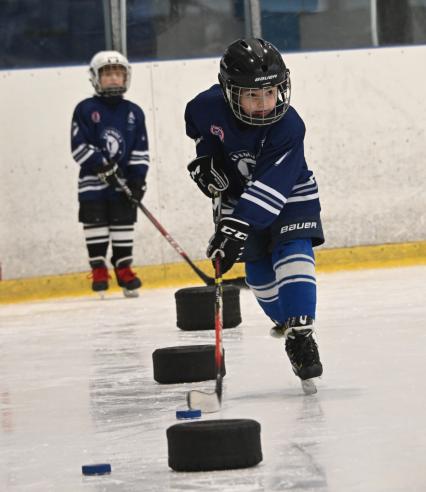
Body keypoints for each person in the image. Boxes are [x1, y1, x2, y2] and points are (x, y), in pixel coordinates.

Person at [185, 38, 324, 386]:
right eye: (252, 96)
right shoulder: (205, 107)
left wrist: (235, 228)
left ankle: (302, 331)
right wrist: (206, 160)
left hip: (289, 193)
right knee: (259, 277)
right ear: (229, 92)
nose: (264, 105)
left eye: (271, 93)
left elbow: (271, 187)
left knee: (293, 250)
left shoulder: (289, 127)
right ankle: (290, 328)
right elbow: (199, 131)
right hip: (237, 196)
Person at [71, 51, 149, 297]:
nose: (114, 78)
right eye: (107, 74)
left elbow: (140, 150)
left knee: (123, 225)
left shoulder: (134, 112)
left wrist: (137, 181)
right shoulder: (85, 109)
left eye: (118, 73)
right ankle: (98, 269)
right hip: (92, 185)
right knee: (95, 225)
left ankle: (124, 269)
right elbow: (78, 146)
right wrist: (101, 165)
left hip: (123, 183)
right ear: (95, 78)